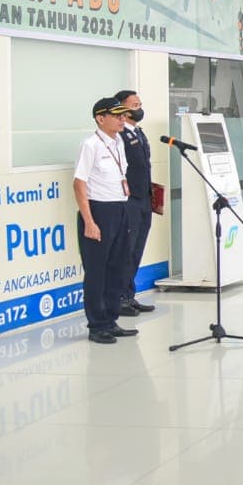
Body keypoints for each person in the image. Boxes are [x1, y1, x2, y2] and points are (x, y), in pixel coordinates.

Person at [73, 98, 137, 344]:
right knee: (96, 272)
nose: (123, 119)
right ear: (101, 118)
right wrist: (89, 221)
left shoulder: (118, 142)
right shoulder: (91, 145)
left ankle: (111, 320)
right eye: (117, 115)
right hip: (99, 211)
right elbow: (79, 183)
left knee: (117, 268)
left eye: (123, 115)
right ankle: (97, 325)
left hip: (120, 208)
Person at [112, 89, 156, 316]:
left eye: (140, 103)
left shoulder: (138, 133)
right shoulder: (118, 136)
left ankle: (129, 295)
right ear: (122, 108)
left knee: (137, 249)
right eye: (134, 104)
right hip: (129, 201)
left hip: (144, 199)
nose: (139, 108)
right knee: (126, 250)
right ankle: (118, 298)